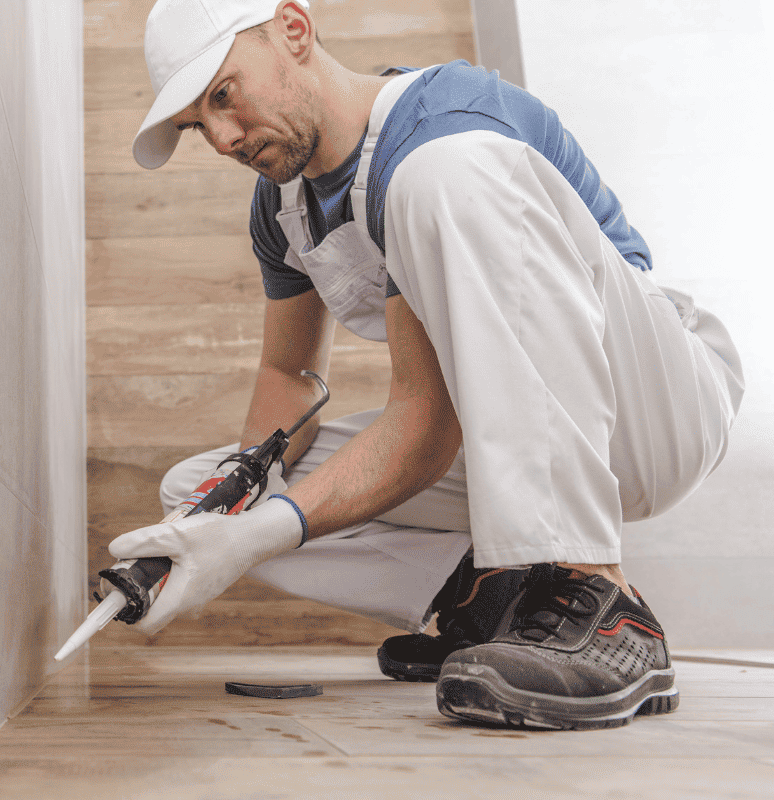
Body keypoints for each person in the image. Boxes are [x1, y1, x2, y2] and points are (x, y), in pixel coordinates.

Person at [109, 0, 744, 730]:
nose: (221, 137)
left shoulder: (440, 133)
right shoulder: (280, 204)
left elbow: (424, 424)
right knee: (195, 494)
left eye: (224, 95)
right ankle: (495, 604)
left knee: (437, 175)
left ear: (293, 29)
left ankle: (597, 600)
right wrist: (229, 509)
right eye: (198, 123)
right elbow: (287, 379)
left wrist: (259, 536)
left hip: (655, 401)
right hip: (521, 431)